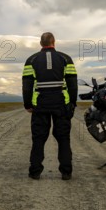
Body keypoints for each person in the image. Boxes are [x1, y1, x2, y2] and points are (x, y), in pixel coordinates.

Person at [22, 32, 78, 180]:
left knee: (38, 138)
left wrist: (28, 104)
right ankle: (66, 172)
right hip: (61, 104)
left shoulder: (31, 60)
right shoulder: (66, 58)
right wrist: (72, 103)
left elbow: (27, 85)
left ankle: (35, 172)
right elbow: (72, 83)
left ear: (41, 43)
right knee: (63, 138)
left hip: (40, 104)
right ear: (54, 42)